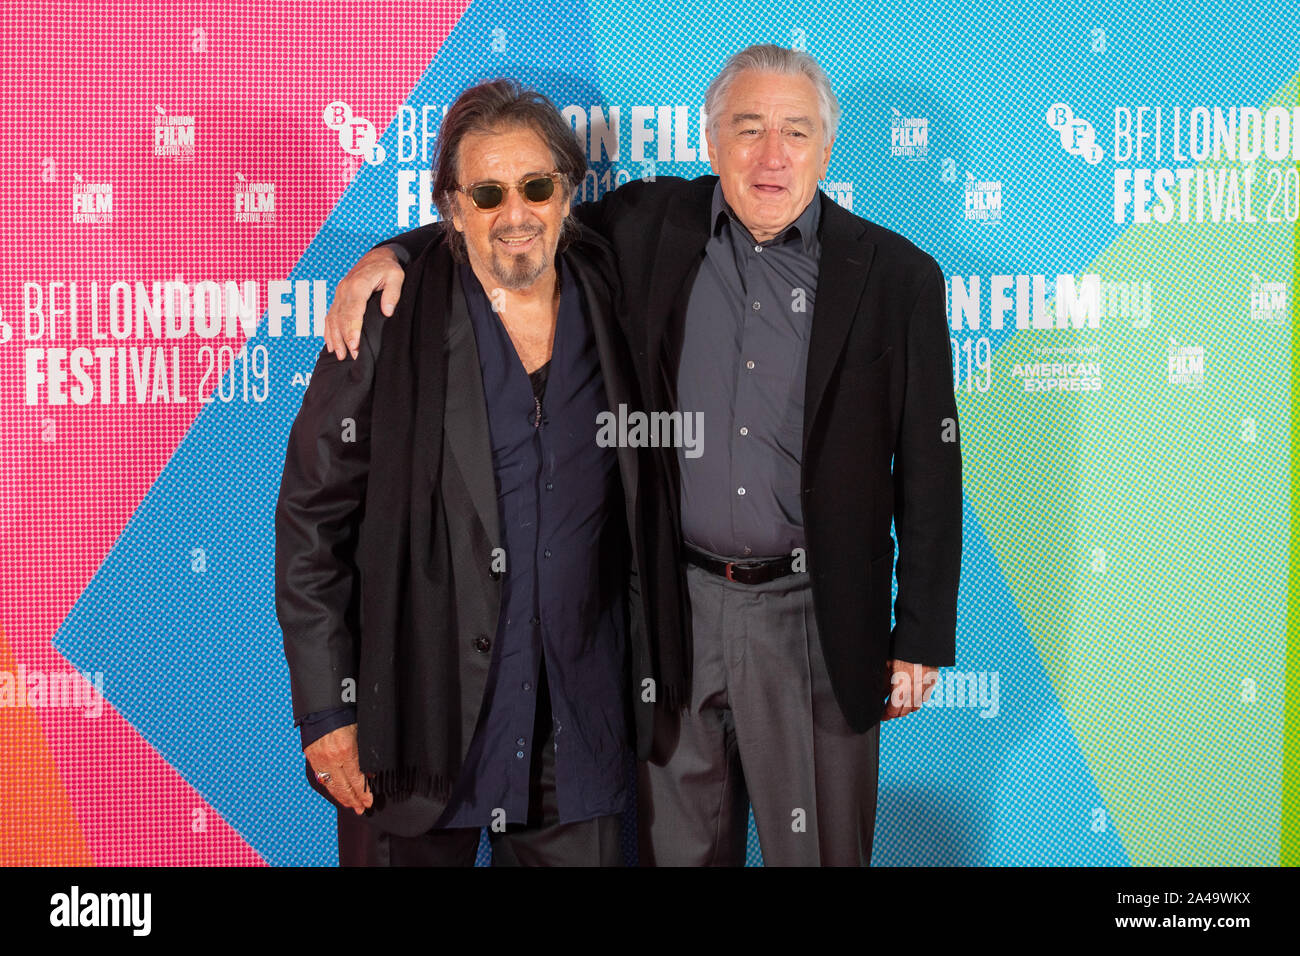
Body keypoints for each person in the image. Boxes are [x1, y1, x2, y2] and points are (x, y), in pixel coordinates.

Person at [324, 44, 963, 866]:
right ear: (711, 141)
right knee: (681, 851)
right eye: (749, 129)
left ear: (827, 150)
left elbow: (931, 470)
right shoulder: (651, 226)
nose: (771, 156)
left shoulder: (898, 277)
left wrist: (918, 635)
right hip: (675, 613)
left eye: (795, 133)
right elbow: (516, 224)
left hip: (814, 617)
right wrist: (396, 256)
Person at [275, 78, 684, 866]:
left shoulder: (615, 290)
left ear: (568, 192)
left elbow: (741, 194)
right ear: (452, 208)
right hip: (416, 727)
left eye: (536, 187)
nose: (515, 215)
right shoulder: (388, 316)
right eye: (487, 194)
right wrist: (328, 710)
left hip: (577, 724)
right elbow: (312, 523)